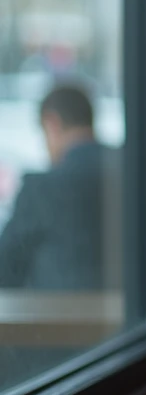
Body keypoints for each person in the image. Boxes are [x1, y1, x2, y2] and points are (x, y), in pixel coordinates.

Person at [0, 83, 122, 289]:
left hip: (59, 309)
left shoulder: (42, 188)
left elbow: (5, 268)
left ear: (52, 123)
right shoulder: (135, 174)